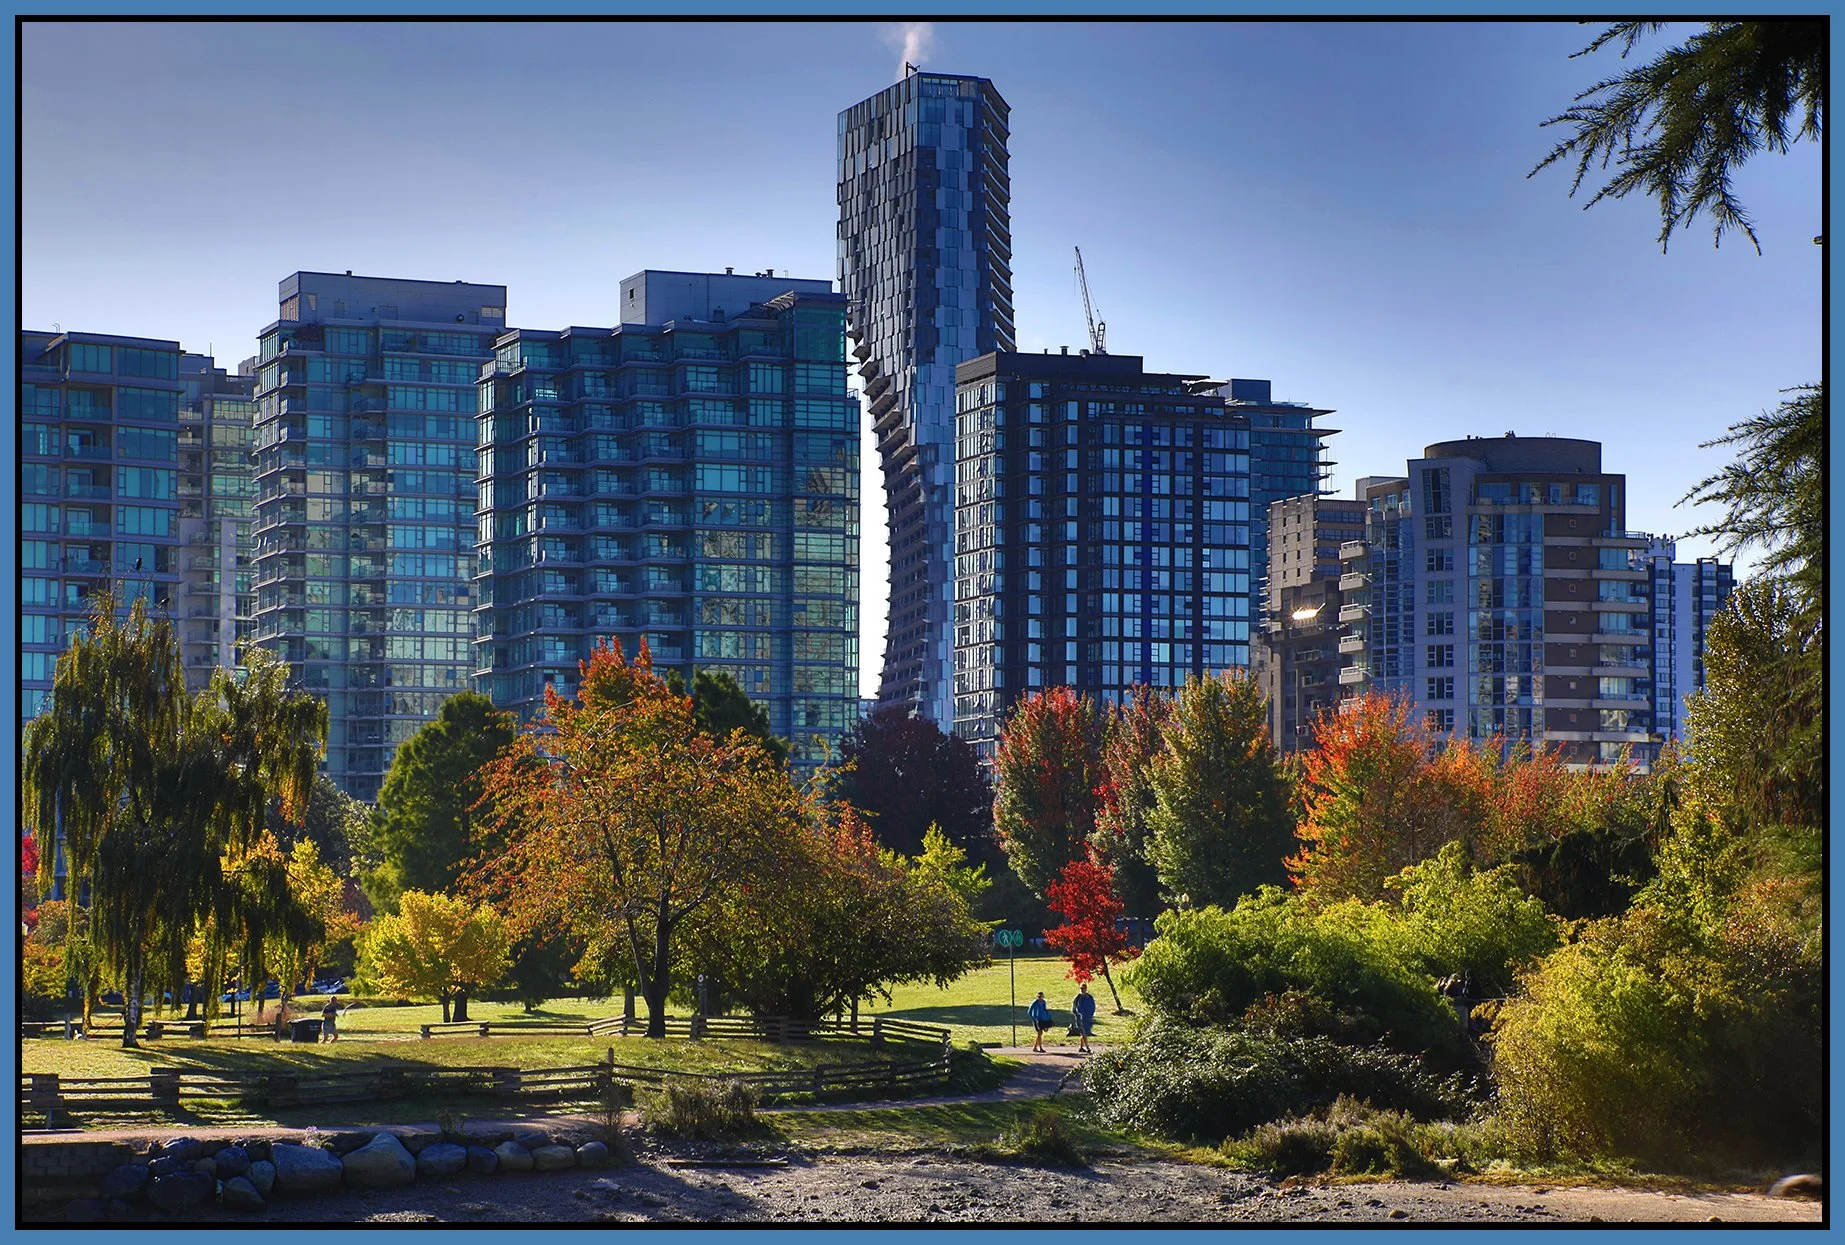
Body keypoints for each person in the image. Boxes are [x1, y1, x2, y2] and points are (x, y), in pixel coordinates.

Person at [1071, 982, 1097, 1055]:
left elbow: (1093, 1007)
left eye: (1083, 988)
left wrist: (1090, 1015)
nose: (1082, 990)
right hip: (1080, 1019)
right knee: (1083, 1032)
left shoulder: (1089, 997)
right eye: (1081, 988)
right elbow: (1074, 1008)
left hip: (1087, 1018)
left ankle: (1081, 1047)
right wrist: (1077, 1014)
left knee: (1084, 1032)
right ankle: (1087, 1047)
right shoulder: (1078, 998)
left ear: (1086, 989)